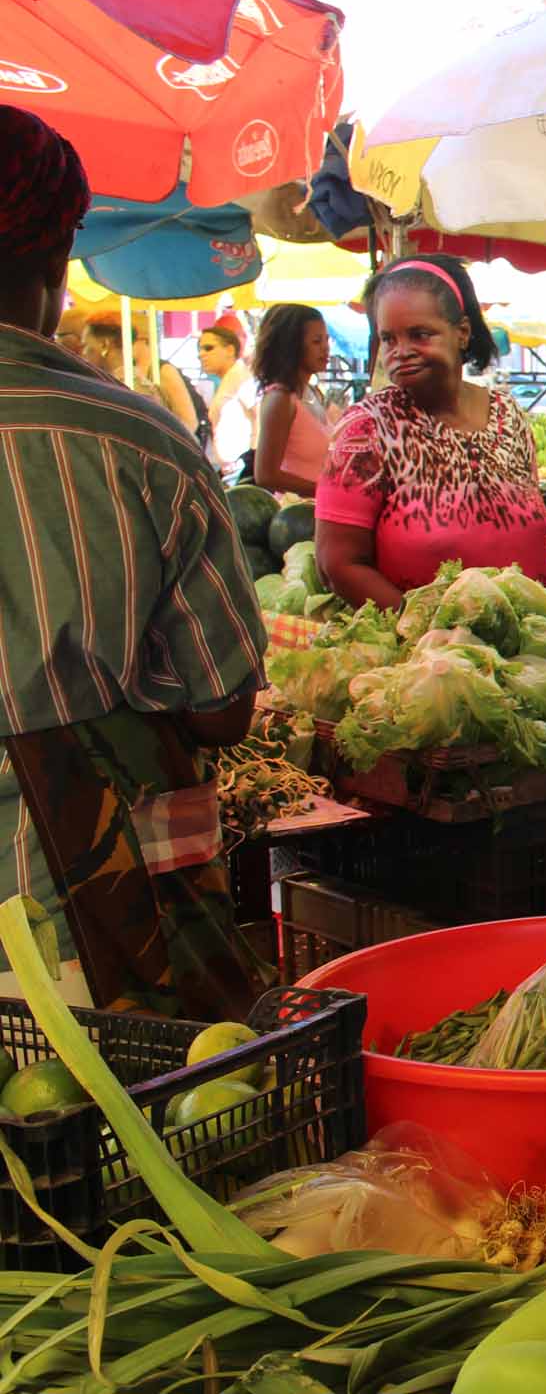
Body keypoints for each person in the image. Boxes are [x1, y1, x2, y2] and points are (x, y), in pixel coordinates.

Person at [0, 107, 269, 1019]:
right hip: (95, 919)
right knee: (125, 1131)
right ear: (59, 255)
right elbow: (225, 709)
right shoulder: (143, 441)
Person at [316, 256, 546, 608]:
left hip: (528, 647)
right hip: (427, 655)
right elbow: (337, 565)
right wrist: (430, 636)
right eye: (388, 339)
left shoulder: (509, 416)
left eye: (420, 334)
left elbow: (537, 539)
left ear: (462, 333)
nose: (401, 352)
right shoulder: (368, 429)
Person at [250, 304, 332, 498]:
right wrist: (325, 492)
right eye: (316, 341)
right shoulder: (280, 399)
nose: (325, 348)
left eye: (327, 340)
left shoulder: (312, 393)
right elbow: (265, 475)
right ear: (292, 346)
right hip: (296, 513)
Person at [82, 310, 203, 438]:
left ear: (104, 345)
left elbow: (188, 423)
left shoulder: (133, 385)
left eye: (85, 345)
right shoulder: (118, 381)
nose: (83, 352)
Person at [200, 316, 254, 476]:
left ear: (230, 350)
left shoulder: (240, 376)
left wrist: (253, 459)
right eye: (200, 349)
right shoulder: (231, 377)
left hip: (242, 471)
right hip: (231, 470)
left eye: (209, 348)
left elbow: (262, 416)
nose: (202, 354)